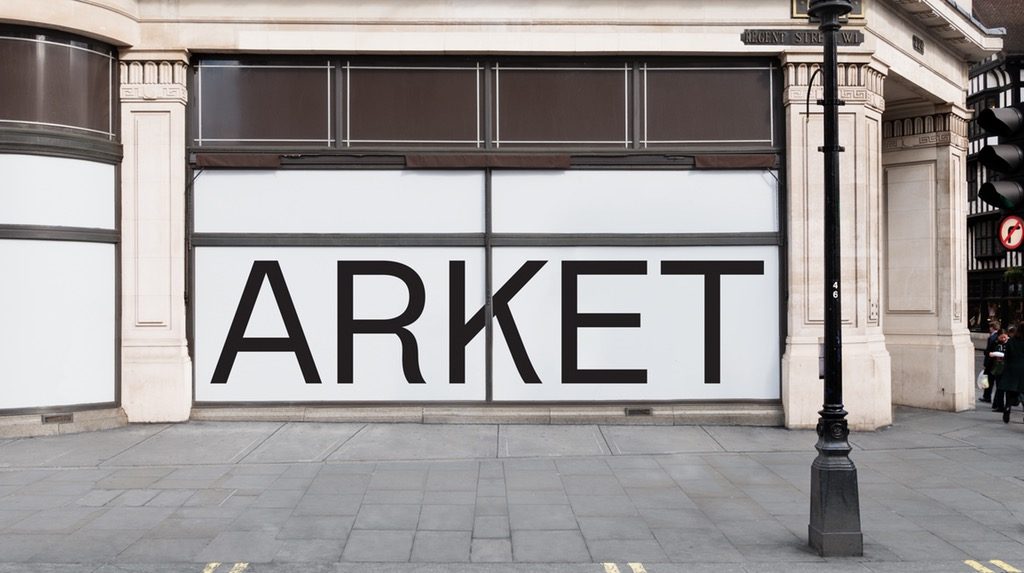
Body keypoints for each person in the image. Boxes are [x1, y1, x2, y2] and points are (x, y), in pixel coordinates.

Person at [997, 324, 1024, 424]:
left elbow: (1006, 356)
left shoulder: (1011, 341)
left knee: (1010, 392)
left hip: (1011, 369)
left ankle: (1007, 408)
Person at [981, 320, 1001, 403]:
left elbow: (989, 350)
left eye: (990, 327)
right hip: (995, 362)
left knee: (986, 379)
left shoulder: (992, 337)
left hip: (990, 362)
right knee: (991, 380)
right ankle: (987, 396)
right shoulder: (997, 336)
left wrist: (986, 353)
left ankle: (986, 396)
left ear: (992, 328)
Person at [990, 328, 1009, 412]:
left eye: (1005, 337)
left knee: (1008, 389)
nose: (1003, 339)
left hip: (1007, 369)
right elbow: (988, 352)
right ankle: (1000, 406)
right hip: (998, 368)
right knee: (999, 388)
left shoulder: (1010, 343)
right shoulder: (995, 343)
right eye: (1001, 337)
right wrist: (990, 354)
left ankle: (1007, 406)